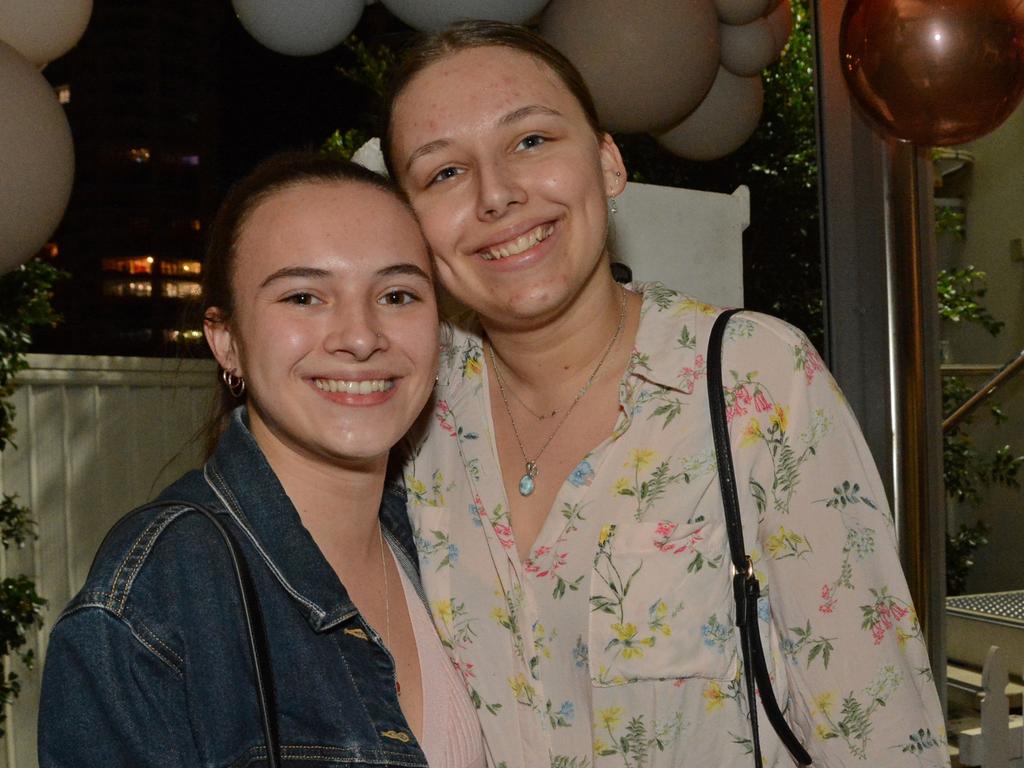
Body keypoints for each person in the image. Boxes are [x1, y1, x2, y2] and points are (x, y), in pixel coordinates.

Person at [382, 21, 950, 768]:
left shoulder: (754, 378)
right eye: (443, 173)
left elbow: (881, 732)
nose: (497, 195)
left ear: (609, 162)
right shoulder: (415, 410)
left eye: (531, 142)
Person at [38, 152, 485, 768]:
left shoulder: (450, 537)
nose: (360, 336)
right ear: (228, 341)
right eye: (303, 297)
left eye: (398, 293)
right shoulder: (157, 597)